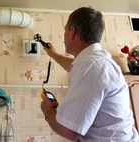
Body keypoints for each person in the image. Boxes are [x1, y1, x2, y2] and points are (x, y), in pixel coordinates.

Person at [40, 7, 139, 141]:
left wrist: (48, 111)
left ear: (72, 33)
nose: (63, 37)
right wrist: (54, 55)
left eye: (65, 30)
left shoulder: (92, 67)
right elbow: (73, 67)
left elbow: (70, 131)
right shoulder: (95, 63)